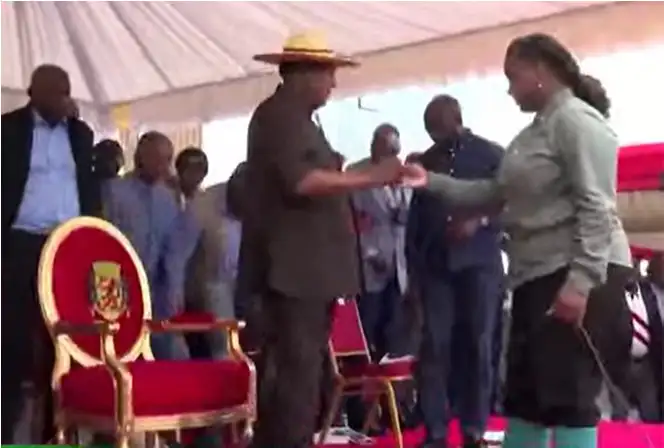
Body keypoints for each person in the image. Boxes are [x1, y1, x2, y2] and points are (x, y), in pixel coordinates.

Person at [401, 33, 633, 448]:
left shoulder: (577, 121)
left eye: (513, 77)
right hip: (534, 274)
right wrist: (430, 181)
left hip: (572, 271)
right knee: (527, 399)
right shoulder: (534, 133)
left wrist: (580, 283)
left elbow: (598, 207)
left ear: (540, 71)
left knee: (569, 397)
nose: (509, 90)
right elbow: (494, 194)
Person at [241, 31, 404, 448]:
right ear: (303, 74)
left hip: (309, 274)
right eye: (328, 74)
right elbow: (302, 181)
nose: (333, 83)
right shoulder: (278, 116)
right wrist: (371, 176)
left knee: (304, 377)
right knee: (294, 382)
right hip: (292, 273)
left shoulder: (298, 119)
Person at [1, 64, 101, 444]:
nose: (65, 99)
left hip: (66, 245)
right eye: (57, 92)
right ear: (34, 93)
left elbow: (88, 189)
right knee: (12, 338)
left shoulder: (81, 134)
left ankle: (54, 433)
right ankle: (6, 428)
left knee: (63, 338)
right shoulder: (8, 129)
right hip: (21, 243)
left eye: (67, 92)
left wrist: (92, 238)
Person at [405, 95, 505, 448]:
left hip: (480, 266)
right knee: (434, 346)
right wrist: (413, 275)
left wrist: (480, 221)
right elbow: (415, 222)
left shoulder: (491, 155)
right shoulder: (427, 162)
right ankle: (435, 430)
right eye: (429, 129)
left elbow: (512, 203)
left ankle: (473, 428)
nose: (433, 134)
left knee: (477, 344)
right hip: (436, 268)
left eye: (437, 126)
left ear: (455, 118)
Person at [104, 131, 197, 360]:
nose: (164, 166)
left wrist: (175, 293)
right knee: (123, 355)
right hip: (119, 290)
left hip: (157, 293)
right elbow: (104, 244)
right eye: (158, 158)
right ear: (140, 157)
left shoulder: (169, 199)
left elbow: (173, 252)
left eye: (168, 160)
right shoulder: (113, 192)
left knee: (177, 356)